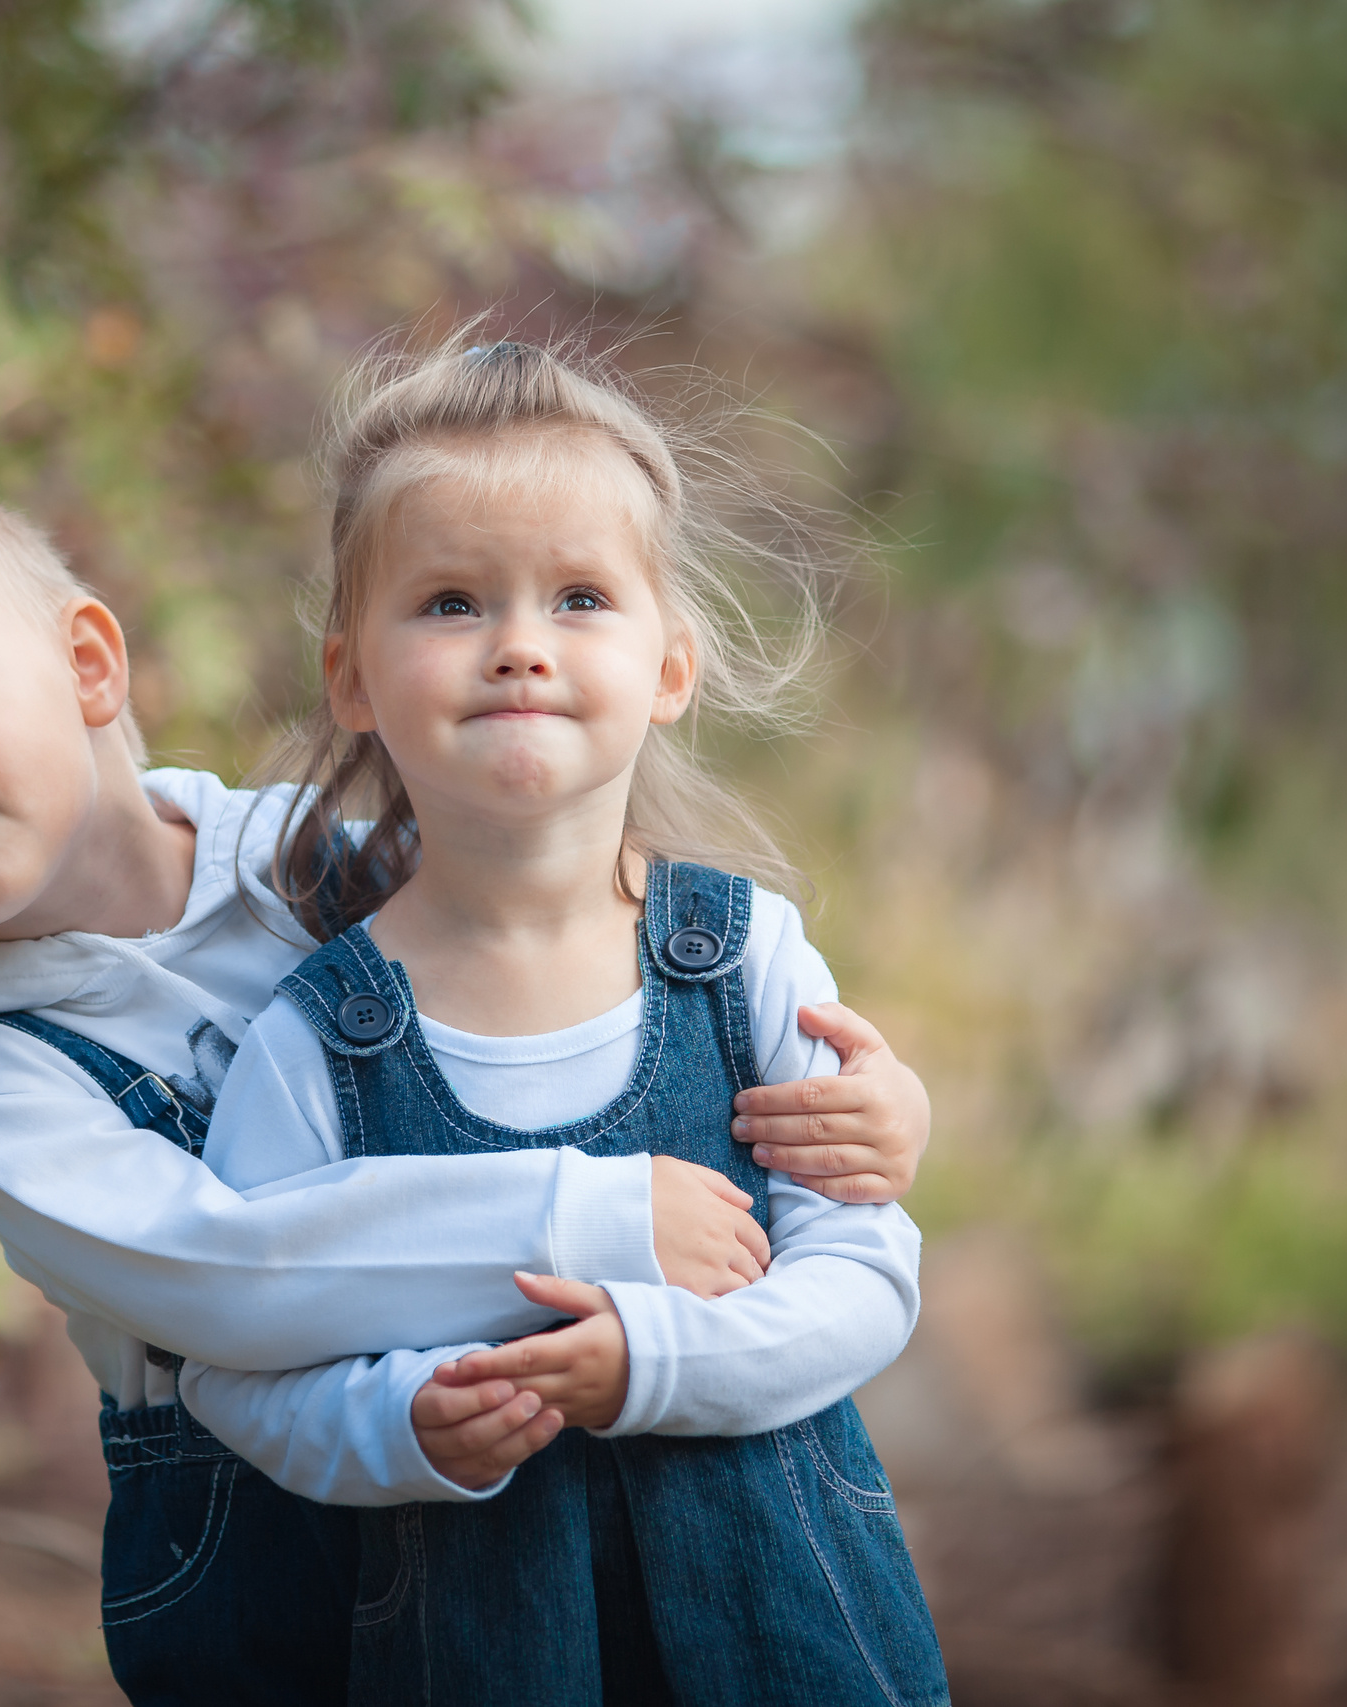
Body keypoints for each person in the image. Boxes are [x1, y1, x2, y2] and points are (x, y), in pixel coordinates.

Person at [0, 472, 935, 1705]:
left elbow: (589, 948)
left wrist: (872, 1113)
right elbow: (219, 1274)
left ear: (87, 666)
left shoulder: (338, 864)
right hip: (263, 1536)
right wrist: (584, 1218)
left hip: (554, 1479)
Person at [177, 338, 951, 1705]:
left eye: (580, 597)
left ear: (670, 664)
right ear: (351, 678)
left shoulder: (743, 960)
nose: (520, 644)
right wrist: (396, 1424)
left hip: (787, 1640)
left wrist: (655, 1361)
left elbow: (864, 1270)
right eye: (451, 601)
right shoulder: (315, 1041)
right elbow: (236, 1363)